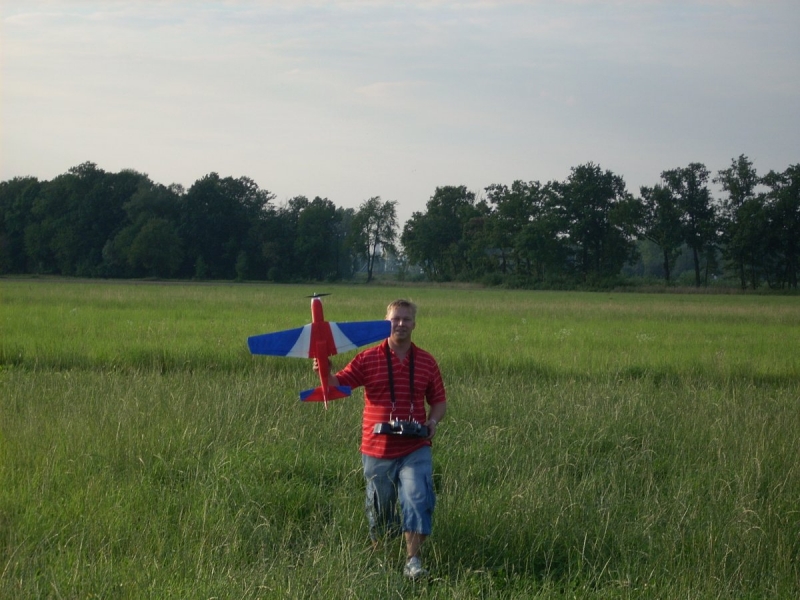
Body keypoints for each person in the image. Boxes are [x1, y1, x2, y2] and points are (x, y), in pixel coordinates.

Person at [316, 299, 447, 579]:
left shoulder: (426, 361)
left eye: (406, 319)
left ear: (414, 323)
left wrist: (432, 422)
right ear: (385, 322)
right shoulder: (368, 358)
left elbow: (438, 401)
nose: (401, 324)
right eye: (395, 319)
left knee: (417, 496)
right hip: (376, 448)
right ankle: (383, 559)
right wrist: (324, 370)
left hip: (415, 446)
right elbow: (340, 383)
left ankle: (413, 561)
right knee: (380, 507)